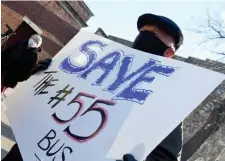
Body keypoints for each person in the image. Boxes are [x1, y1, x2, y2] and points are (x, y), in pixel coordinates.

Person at [119, 13, 184, 161]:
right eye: (142, 32)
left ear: (169, 53)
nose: (143, 37)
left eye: (153, 34)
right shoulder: (103, 71)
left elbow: (166, 156)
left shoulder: (168, 97)